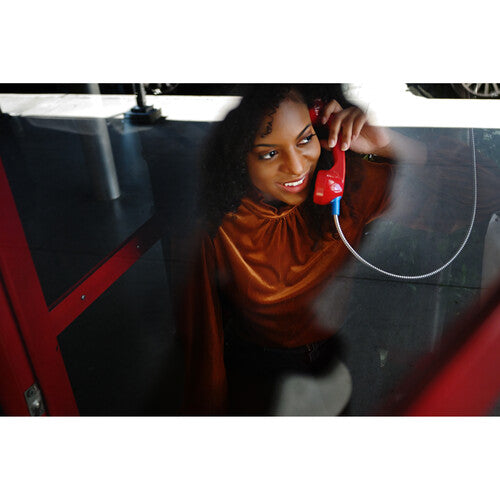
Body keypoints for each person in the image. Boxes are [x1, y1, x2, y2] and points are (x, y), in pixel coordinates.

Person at [176, 84, 498, 416]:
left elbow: (485, 195)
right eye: (269, 153)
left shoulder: (347, 191)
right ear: (239, 156)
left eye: (305, 140)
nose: (296, 167)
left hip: (346, 358)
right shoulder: (218, 227)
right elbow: (202, 349)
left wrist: (387, 144)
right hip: (260, 376)